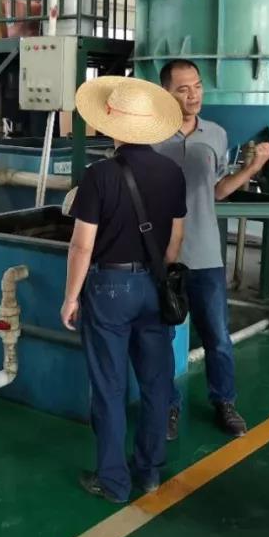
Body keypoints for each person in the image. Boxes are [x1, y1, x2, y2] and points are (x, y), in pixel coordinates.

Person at [61, 76, 187, 503]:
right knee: (156, 384)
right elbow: (176, 239)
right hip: (155, 285)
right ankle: (149, 472)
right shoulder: (172, 172)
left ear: (111, 123)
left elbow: (82, 245)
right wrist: (158, 274)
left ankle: (113, 482)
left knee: (109, 388)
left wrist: (71, 296)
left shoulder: (98, 176)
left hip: (110, 288)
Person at [154, 59, 269, 438]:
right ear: (166, 93)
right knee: (162, 338)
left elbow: (217, 191)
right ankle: (168, 406)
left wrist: (253, 167)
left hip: (205, 254)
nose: (193, 95)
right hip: (162, 256)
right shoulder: (150, 135)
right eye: (183, 89)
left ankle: (225, 402)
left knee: (217, 337)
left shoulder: (216, 135)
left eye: (197, 86)